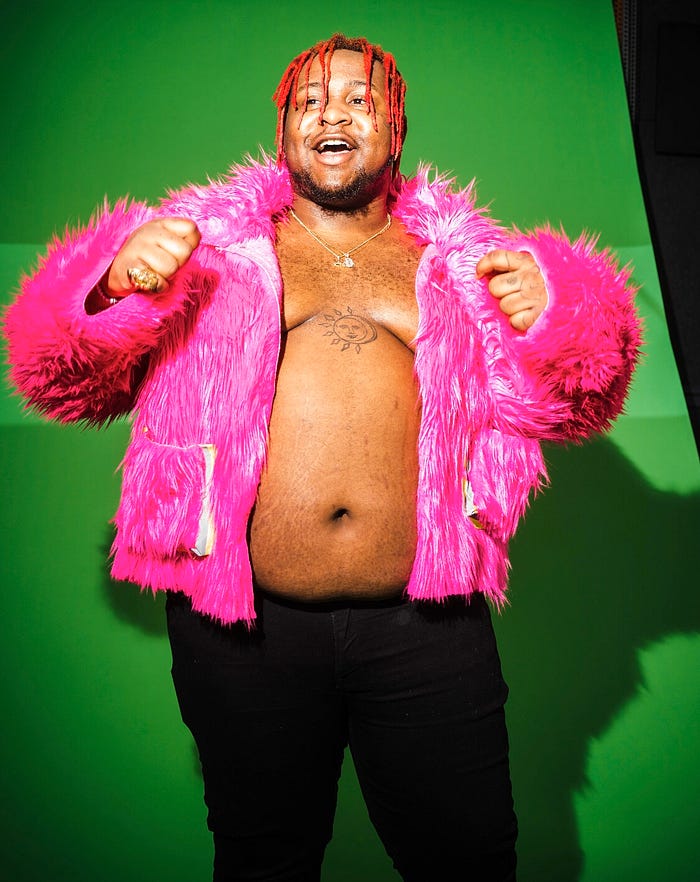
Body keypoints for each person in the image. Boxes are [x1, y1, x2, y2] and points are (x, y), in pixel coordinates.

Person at [3, 33, 641, 882]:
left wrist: (553, 319)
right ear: (283, 131)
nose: (329, 114)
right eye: (309, 102)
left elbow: (576, 402)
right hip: (244, 631)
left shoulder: (462, 265)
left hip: (427, 628)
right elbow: (61, 380)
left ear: (396, 129)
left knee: (470, 860)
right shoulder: (206, 252)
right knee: (263, 861)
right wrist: (110, 291)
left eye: (356, 100)